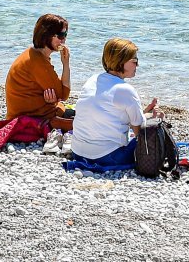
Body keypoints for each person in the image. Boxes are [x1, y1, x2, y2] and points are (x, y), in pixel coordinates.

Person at [68, 38, 163, 171]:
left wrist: (145, 113)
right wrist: (155, 120)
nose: (138, 65)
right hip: (108, 157)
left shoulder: (93, 80)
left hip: (77, 153)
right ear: (121, 62)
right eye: (134, 61)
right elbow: (140, 135)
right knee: (156, 137)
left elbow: (109, 115)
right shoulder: (124, 89)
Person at [5, 14, 73, 136]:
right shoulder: (38, 62)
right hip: (30, 117)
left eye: (65, 35)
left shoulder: (32, 54)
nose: (64, 40)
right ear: (47, 35)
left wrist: (53, 100)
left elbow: (55, 91)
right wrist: (66, 64)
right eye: (61, 35)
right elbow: (64, 94)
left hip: (21, 113)